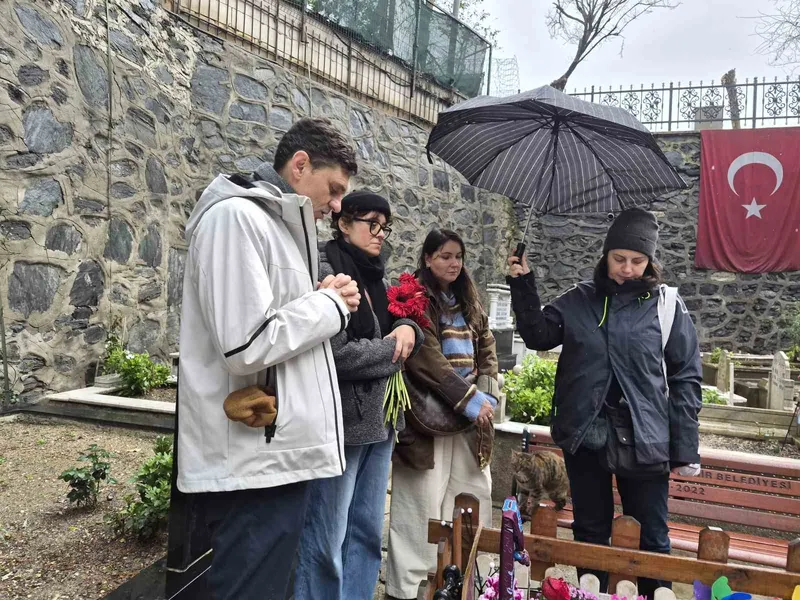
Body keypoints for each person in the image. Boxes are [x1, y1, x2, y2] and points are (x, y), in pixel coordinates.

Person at [176, 117, 361, 600]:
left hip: (272, 457)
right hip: (250, 464)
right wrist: (329, 306)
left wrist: (318, 297)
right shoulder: (236, 218)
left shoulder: (275, 225)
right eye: (334, 189)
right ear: (300, 165)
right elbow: (245, 343)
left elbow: (275, 324)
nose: (337, 205)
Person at [507, 207, 702, 599]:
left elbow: (685, 376)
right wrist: (522, 284)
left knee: (651, 537)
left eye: (637, 261)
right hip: (587, 434)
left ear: (650, 261)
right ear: (605, 255)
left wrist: (684, 447)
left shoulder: (666, 306)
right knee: (590, 532)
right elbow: (539, 335)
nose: (627, 269)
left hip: (645, 438)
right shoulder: (580, 300)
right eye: (619, 258)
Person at [293, 191, 424, 600]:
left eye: (385, 226)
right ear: (344, 223)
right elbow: (335, 354)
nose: (380, 233)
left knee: (366, 532)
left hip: (381, 422)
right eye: (372, 223)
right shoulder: (325, 270)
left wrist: (408, 328)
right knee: (327, 534)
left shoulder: (375, 276)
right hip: (343, 425)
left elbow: (396, 327)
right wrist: (393, 352)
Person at [386, 228, 499, 600]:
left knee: (471, 497)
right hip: (427, 417)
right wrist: (468, 398)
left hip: (469, 421)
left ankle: (468, 583)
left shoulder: (469, 298)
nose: (454, 263)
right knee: (419, 507)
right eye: (445, 256)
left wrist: (486, 391)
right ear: (428, 258)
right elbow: (427, 359)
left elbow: (487, 345)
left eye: (458, 256)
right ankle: (409, 590)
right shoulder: (413, 299)